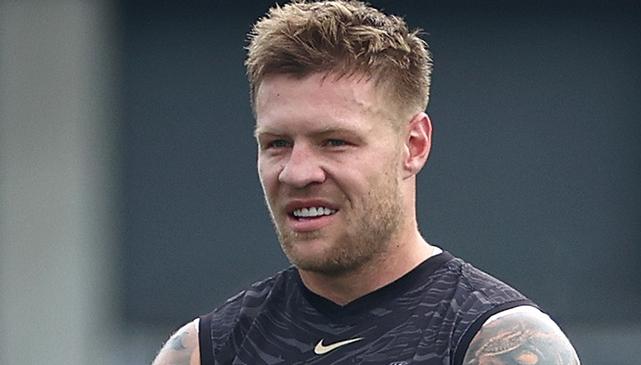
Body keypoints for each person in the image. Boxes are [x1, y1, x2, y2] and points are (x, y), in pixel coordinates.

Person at [152, 1, 581, 364]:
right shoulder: (207, 350)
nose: (298, 173)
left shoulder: (495, 343)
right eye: (278, 143)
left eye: (335, 142)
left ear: (413, 146)